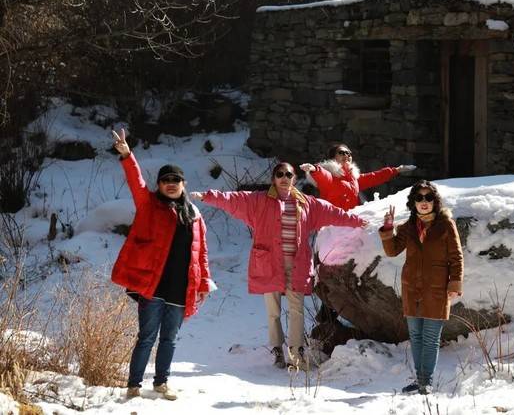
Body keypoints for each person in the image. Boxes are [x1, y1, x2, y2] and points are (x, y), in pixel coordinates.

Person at [190, 162, 367, 369]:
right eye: (280, 174)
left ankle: (296, 351)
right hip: (269, 263)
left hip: (297, 264)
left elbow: (334, 213)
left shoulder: (307, 204)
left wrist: (358, 221)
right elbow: (233, 200)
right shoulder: (259, 200)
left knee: (296, 309)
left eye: (288, 175)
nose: (284, 178)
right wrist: (207, 196)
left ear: (294, 178)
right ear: (274, 178)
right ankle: (277, 349)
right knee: (273, 310)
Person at [110, 128, 215, 401]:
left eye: (175, 180)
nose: (170, 184)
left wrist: (204, 283)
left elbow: (201, 253)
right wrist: (127, 155)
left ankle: (161, 383)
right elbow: (136, 182)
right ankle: (134, 385)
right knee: (147, 336)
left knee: (170, 338)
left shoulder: (195, 215)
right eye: (165, 180)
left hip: (180, 287)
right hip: (152, 284)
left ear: (183, 184)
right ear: (159, 184)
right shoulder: (149, 205)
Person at [378, 180, 463, 395]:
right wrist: (388, 229)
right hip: (412, 288)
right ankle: (420, 380)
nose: (424, 202)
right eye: (419, 198)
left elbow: (456, 257)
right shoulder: (409, 226)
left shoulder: (446, 224)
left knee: (431, 338)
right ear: (413, 202)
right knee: (416, 336)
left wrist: (454, 283)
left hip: (437, 289)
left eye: (428, 197)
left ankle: (426, 382)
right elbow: (392, 251)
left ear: (435, 201)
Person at [299, 143, 416, 211]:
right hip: (331, 228)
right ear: (333, 158)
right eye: (342, 152)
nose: (346, 155)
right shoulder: (329, 177)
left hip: (350, 225)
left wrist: (396, 170)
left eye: (348, 153)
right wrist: (314, 169)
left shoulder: (354, 178)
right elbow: (323, 176)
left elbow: (374, 177)